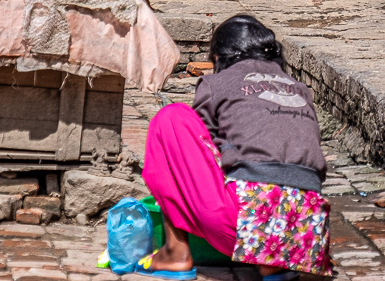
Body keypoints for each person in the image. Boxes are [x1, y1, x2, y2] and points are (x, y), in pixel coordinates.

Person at [139, 15, 332, 280]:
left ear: (218, 59)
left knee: (171, 118)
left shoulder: (215, 83)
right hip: (307, 235)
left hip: (243, 226)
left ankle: (175, 253)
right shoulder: (299, 88)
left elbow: (198, 154)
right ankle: (274, 264)